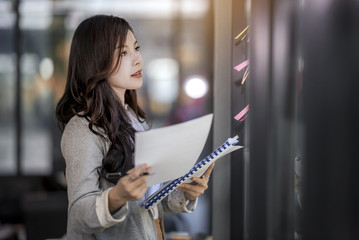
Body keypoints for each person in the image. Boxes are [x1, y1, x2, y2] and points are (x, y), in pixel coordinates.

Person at [56, 14, 214, 240]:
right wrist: (117, 196)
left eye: (136, 48)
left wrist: (183, 193)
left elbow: (145, 205)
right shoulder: (84, 128)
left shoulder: (134, 121)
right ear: (96, 60)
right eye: (123, 52)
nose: (138, 59)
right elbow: (79, 216)